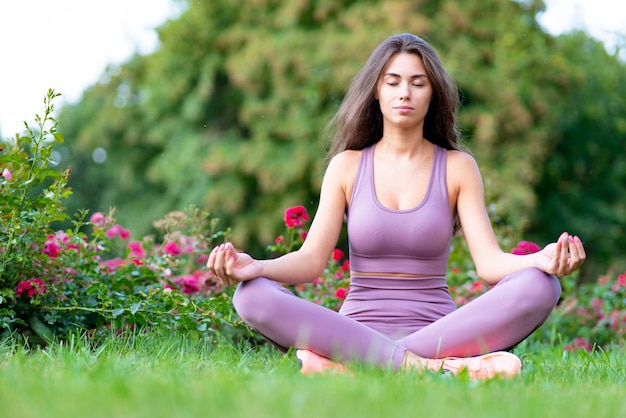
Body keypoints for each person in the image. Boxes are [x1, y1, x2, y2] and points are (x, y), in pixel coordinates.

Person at [207, 33, 586, 379]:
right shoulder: (347, 166)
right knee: (252, 294)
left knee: (541, 285)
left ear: (432, 93)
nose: (405, 92)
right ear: (376, 91)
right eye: (393, 82)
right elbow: (310, 262)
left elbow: (489, 265)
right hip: (355, 328)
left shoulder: (457, 167)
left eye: (417, 83)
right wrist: (257, 267)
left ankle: (350, 366)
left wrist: (539, 259)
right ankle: (432, 369)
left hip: (439, 330)